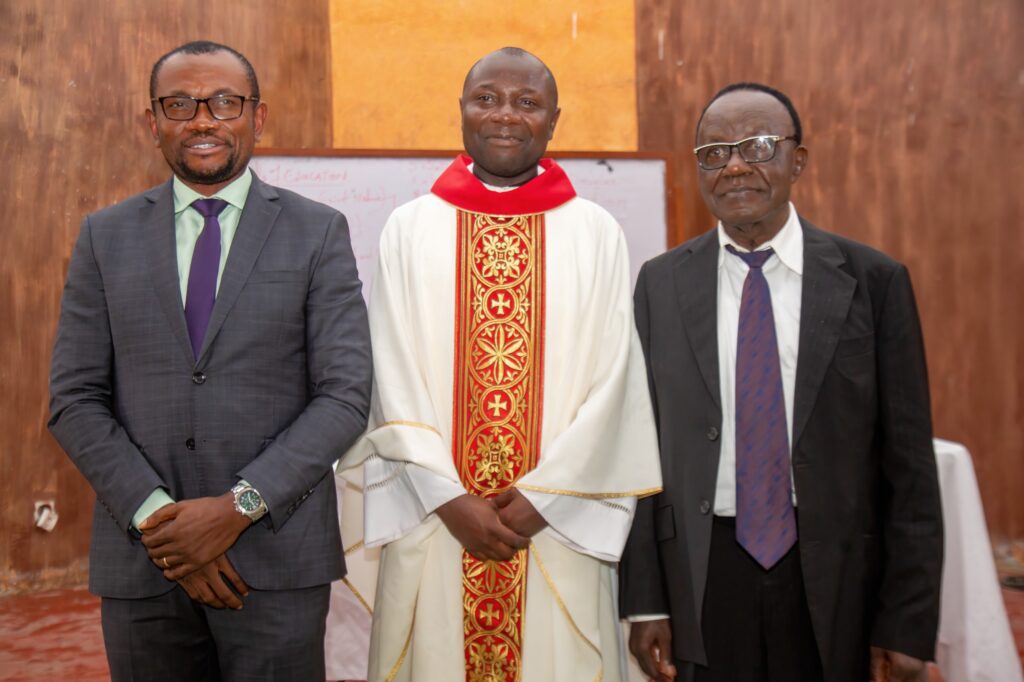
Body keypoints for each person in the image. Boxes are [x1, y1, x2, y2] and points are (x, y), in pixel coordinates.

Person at [48, 40, 371, 681]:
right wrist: (160, 522)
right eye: (180, 104)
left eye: (225, 102)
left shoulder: (318, 231)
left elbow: (344, 394)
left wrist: (236, 508)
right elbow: (75, 398)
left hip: (276, 564)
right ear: (153, 122)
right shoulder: (103, 236)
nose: (203, 120)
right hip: (146, 564)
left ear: (258, 116)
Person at [339, 47, 662, 681]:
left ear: (555, 119)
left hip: (555, 525)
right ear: (460, 110)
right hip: (438, 521)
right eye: (486, 98)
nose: (505, 115)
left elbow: (614, 379)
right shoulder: (410, 228)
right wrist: (448, 498)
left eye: (526, 102)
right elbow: (391, 372)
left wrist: (546, 497)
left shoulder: (597, 232)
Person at [620, 82, 943, 682]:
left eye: (758, 145)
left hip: (837, 576)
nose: (735, 165)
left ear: (798, 160)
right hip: (703, 573)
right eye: (714, 153)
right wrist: (646, 599)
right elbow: (639, 448)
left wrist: (906, 621)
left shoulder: (874, 282)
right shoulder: (659, 285)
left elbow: (911, 471)